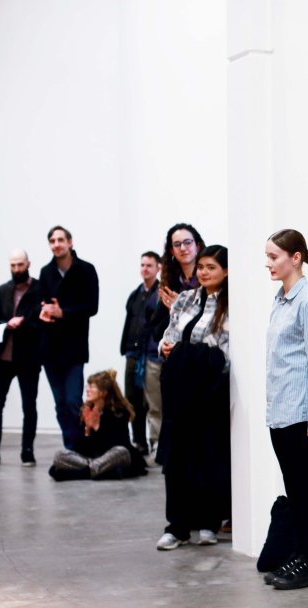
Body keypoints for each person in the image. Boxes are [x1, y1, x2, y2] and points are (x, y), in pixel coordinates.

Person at [260, 230, 308, 590]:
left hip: (300, 414)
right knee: (295, 487)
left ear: (296, 258)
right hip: (280, 411)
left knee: (305, 488)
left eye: (274, 256)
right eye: (267, 256)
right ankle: (303, 552)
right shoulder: (281, 300)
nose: (268, 263)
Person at [155, 245, 230, 551]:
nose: (204, 272)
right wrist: (169, 347)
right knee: (176, 459)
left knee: (207, 457)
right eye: (201, 267)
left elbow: (222, 351)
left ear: (226, 271)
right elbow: (169, 335)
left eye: (211, 267)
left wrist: (184, 351)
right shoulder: (185, 298)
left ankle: (209, 522)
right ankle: (177, 526)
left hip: (209, 392)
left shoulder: (231, 304)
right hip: (178, 390)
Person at [38, 226, 100, 450]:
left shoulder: (86, 270)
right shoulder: (46, 272)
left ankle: (79, 447)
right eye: (52, 241)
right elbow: (41, 303)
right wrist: (44, 311)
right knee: (61, 404)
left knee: (73, 401)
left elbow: (92, 306)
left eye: (60, 240)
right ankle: (70, 448)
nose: (56, 244)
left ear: (70, 242)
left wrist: (63, 312)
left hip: (74, 348)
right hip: (50, 348)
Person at [152, 224, 204, 465]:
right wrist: (163, 344)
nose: (183, 248)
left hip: (199, 363)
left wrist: (179, 309)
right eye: (177, 244)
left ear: (197, 245)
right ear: (171, 251)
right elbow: (156, 328)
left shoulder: (208, 280)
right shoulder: (169, 283)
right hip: (174, 365)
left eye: (187, 242)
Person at [48, 369, 147, 481]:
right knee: (59, 455)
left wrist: (97, 427)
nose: (87, 389)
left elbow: (119, 444)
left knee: (121, 452)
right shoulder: (87, 410)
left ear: (103, 392)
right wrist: (87, 430)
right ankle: (99, 471)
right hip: (95, 459)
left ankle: (80, 473)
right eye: (88, 386)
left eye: (92, 387)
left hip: (113, 456)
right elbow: (80, 449)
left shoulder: (119, 412)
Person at [120, 251, 168, 460]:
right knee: (132, 401)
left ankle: (156, 442)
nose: (145, 269)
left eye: (149, 265)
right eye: (142, 265)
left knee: (154, 403)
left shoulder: (161, 294)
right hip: (133, 354)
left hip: (151, 355)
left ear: (158, 268)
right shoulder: (135, 294)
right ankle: (139, 442)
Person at [0, 249, 43, 466]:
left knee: (29, 406)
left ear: (28, 264)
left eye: (20, 265)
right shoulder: (2, 291)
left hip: (28, 358)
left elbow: (42, 323)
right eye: (13, 265)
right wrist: (7, 324)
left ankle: (27, 451)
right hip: (3, 358)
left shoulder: (39, 290)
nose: (16, 269)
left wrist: (23, 323)